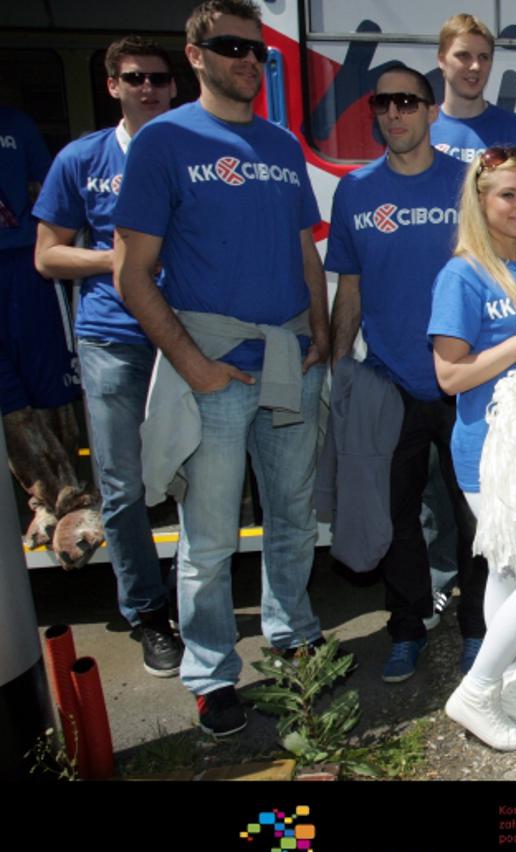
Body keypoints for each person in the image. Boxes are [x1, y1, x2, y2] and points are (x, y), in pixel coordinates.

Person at [113, 0, 336, 736]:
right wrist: (191, 363)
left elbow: (304, 245)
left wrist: (321, 330)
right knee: (207, 542)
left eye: (255, 51)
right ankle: (210, 675)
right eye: (231, 47)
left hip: (289, 360)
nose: (248, 60)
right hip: (210, 368)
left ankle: (293, 636)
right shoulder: (163, 142)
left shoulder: (278, 144)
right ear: (195, 55)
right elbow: (131, 273)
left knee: (295, 520)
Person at [325, 65, 486, 682]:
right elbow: (351, 286)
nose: (395, 113)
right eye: (384, 103)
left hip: (464, 379)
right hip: (388, 381)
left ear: (428, 110)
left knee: (473, 515)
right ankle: (406, 626)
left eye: (408, 102)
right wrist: (342, 367)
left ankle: (477, 629)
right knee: (393, 517)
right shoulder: (355, 190)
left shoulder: (467, 183)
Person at [32, 36, 182, 676]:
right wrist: (120, 259)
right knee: (122, 489)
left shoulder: (193, 151)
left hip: (186, 337)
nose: (147, 87)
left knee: (198, 482)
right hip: (113, 339)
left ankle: (192, 604)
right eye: (133, 78)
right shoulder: (80, 158)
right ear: (112, 86)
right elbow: (46, 255)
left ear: (175, 86)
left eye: (157, 78)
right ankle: (148, 614)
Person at [428, 146, 516, 751]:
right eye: (507, 194)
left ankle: (509, 683)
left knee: (510, 577)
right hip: (490, 452)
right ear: (480, 202)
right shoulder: (461, 273)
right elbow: (449, 377)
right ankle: (477, 689)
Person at [2, 103, 95, 570]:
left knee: (51, 384)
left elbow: (45, 198)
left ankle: (72, 501)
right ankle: (46, 499)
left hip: (22, 267)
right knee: (8, 398)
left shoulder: (15, 125)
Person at [431, 14, 516, 178]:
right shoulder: (420, 130)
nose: (475, 66)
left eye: (483, 57)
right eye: (463, 55)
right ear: (441, 60)